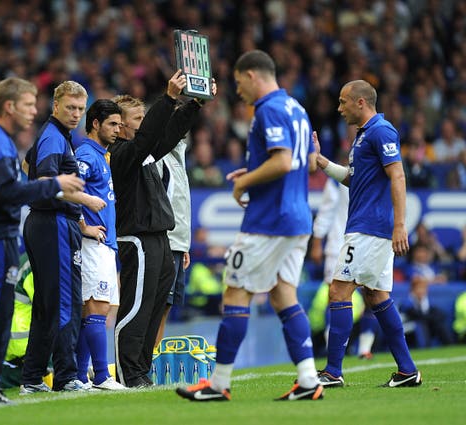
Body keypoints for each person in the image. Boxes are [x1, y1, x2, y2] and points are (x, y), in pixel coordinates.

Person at [176, 50, 321, 402]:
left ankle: (218, 384)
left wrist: (243, 185)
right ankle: (308, 380)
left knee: (235, 293)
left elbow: (284, 162)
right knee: (283, 293)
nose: (238, 91)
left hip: (269, 220)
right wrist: (254, 176)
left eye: (239, 82)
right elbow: (309, 164)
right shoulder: (296, 109)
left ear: (253, 75)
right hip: (299, 218)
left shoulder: (269, 109)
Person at [0, 77, 84, 404]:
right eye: (29, 105)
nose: (34, 111)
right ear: (9, 106)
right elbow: (9, 192)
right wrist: (54, 184)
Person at [312, 79, 422, 388]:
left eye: (343, 101)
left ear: (361, 102)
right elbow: (352, 179)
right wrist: (323, 163)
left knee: (338, 291)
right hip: (368, 227)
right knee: (376, 296)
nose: (339, 107)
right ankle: (407, 370)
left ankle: (333, 371)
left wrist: (400, 224)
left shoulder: (381, 132)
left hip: (370, 228)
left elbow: (397, 174)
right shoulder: (363, 137)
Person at [110, 69, 210, 388]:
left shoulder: (146, 153)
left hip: (159, 237)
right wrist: (167, 98)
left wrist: (193, 104)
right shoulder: (123, 154)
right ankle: (128, 371)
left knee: (153, 310)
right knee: (137, 308)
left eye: (143, 117)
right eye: (137, 119)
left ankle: (142, 370)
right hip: (137, 239)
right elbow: (151, 136)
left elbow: (167, 135)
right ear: (121, 125)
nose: (143, 124)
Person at [19, 81, 106, 394]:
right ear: (55, 105)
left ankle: (32, 377)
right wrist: (84, 200)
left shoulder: (55, 137)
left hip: (47, 221)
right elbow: (43, 178)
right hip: (53, 222)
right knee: (67, 301)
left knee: (45, 304)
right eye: (70, 107)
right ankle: (67, 376)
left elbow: (28, 164)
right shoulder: (55, 138)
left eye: (81, 109)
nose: (76, 114)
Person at [74, 99, 126, 391]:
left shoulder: (101, 155)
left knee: (96, 309)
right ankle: (102, 377)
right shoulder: (85, 154)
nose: (118, 130)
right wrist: (84, 227)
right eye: (112, 124)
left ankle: (82, 377)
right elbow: (70, 190)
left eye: (119, 124)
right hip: (92, 243)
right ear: (95, 124)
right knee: (96, 307)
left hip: (105, 245)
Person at [308, 173, 378, 360]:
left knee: (372, 296)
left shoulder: (376, 175)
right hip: (339, 245)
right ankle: (334, 349)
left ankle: (365, 349)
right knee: (335, 297)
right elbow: (326, 211)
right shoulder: (337, 178)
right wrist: (317, 242)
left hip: (368, 244)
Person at [154, 132, 192, 346]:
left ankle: (151, 361)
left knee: (165, 307)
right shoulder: (160, 157)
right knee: (157, 307)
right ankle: (143, 364)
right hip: (165, 241)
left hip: (177, 242)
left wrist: (184, 245)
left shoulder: (178, 153)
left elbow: (179, 203)